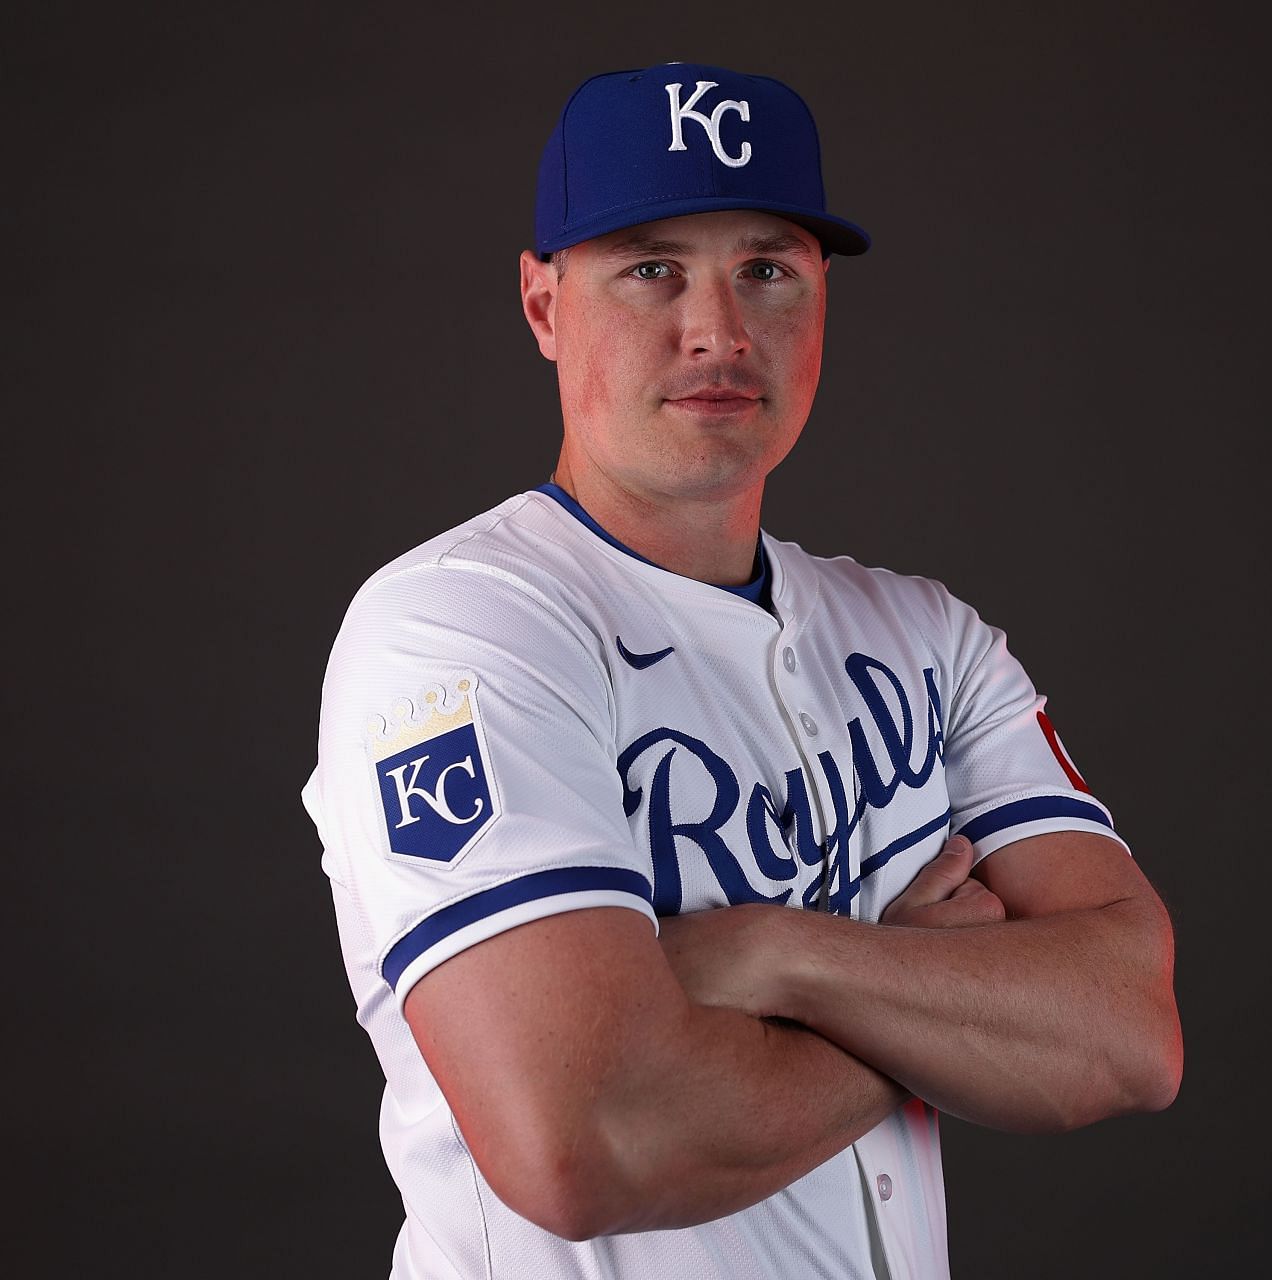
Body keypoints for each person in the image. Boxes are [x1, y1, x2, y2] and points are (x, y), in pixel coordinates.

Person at [303, 61, 1182, 1280]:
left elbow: (1127, 1032)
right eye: (651, 267)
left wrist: (785, 951)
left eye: (766, 269)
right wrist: (924, 991)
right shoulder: (459, 632)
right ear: (544, 303)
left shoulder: (926, 634)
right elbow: (592, 1138)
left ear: (821, 301)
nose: (716, 329)